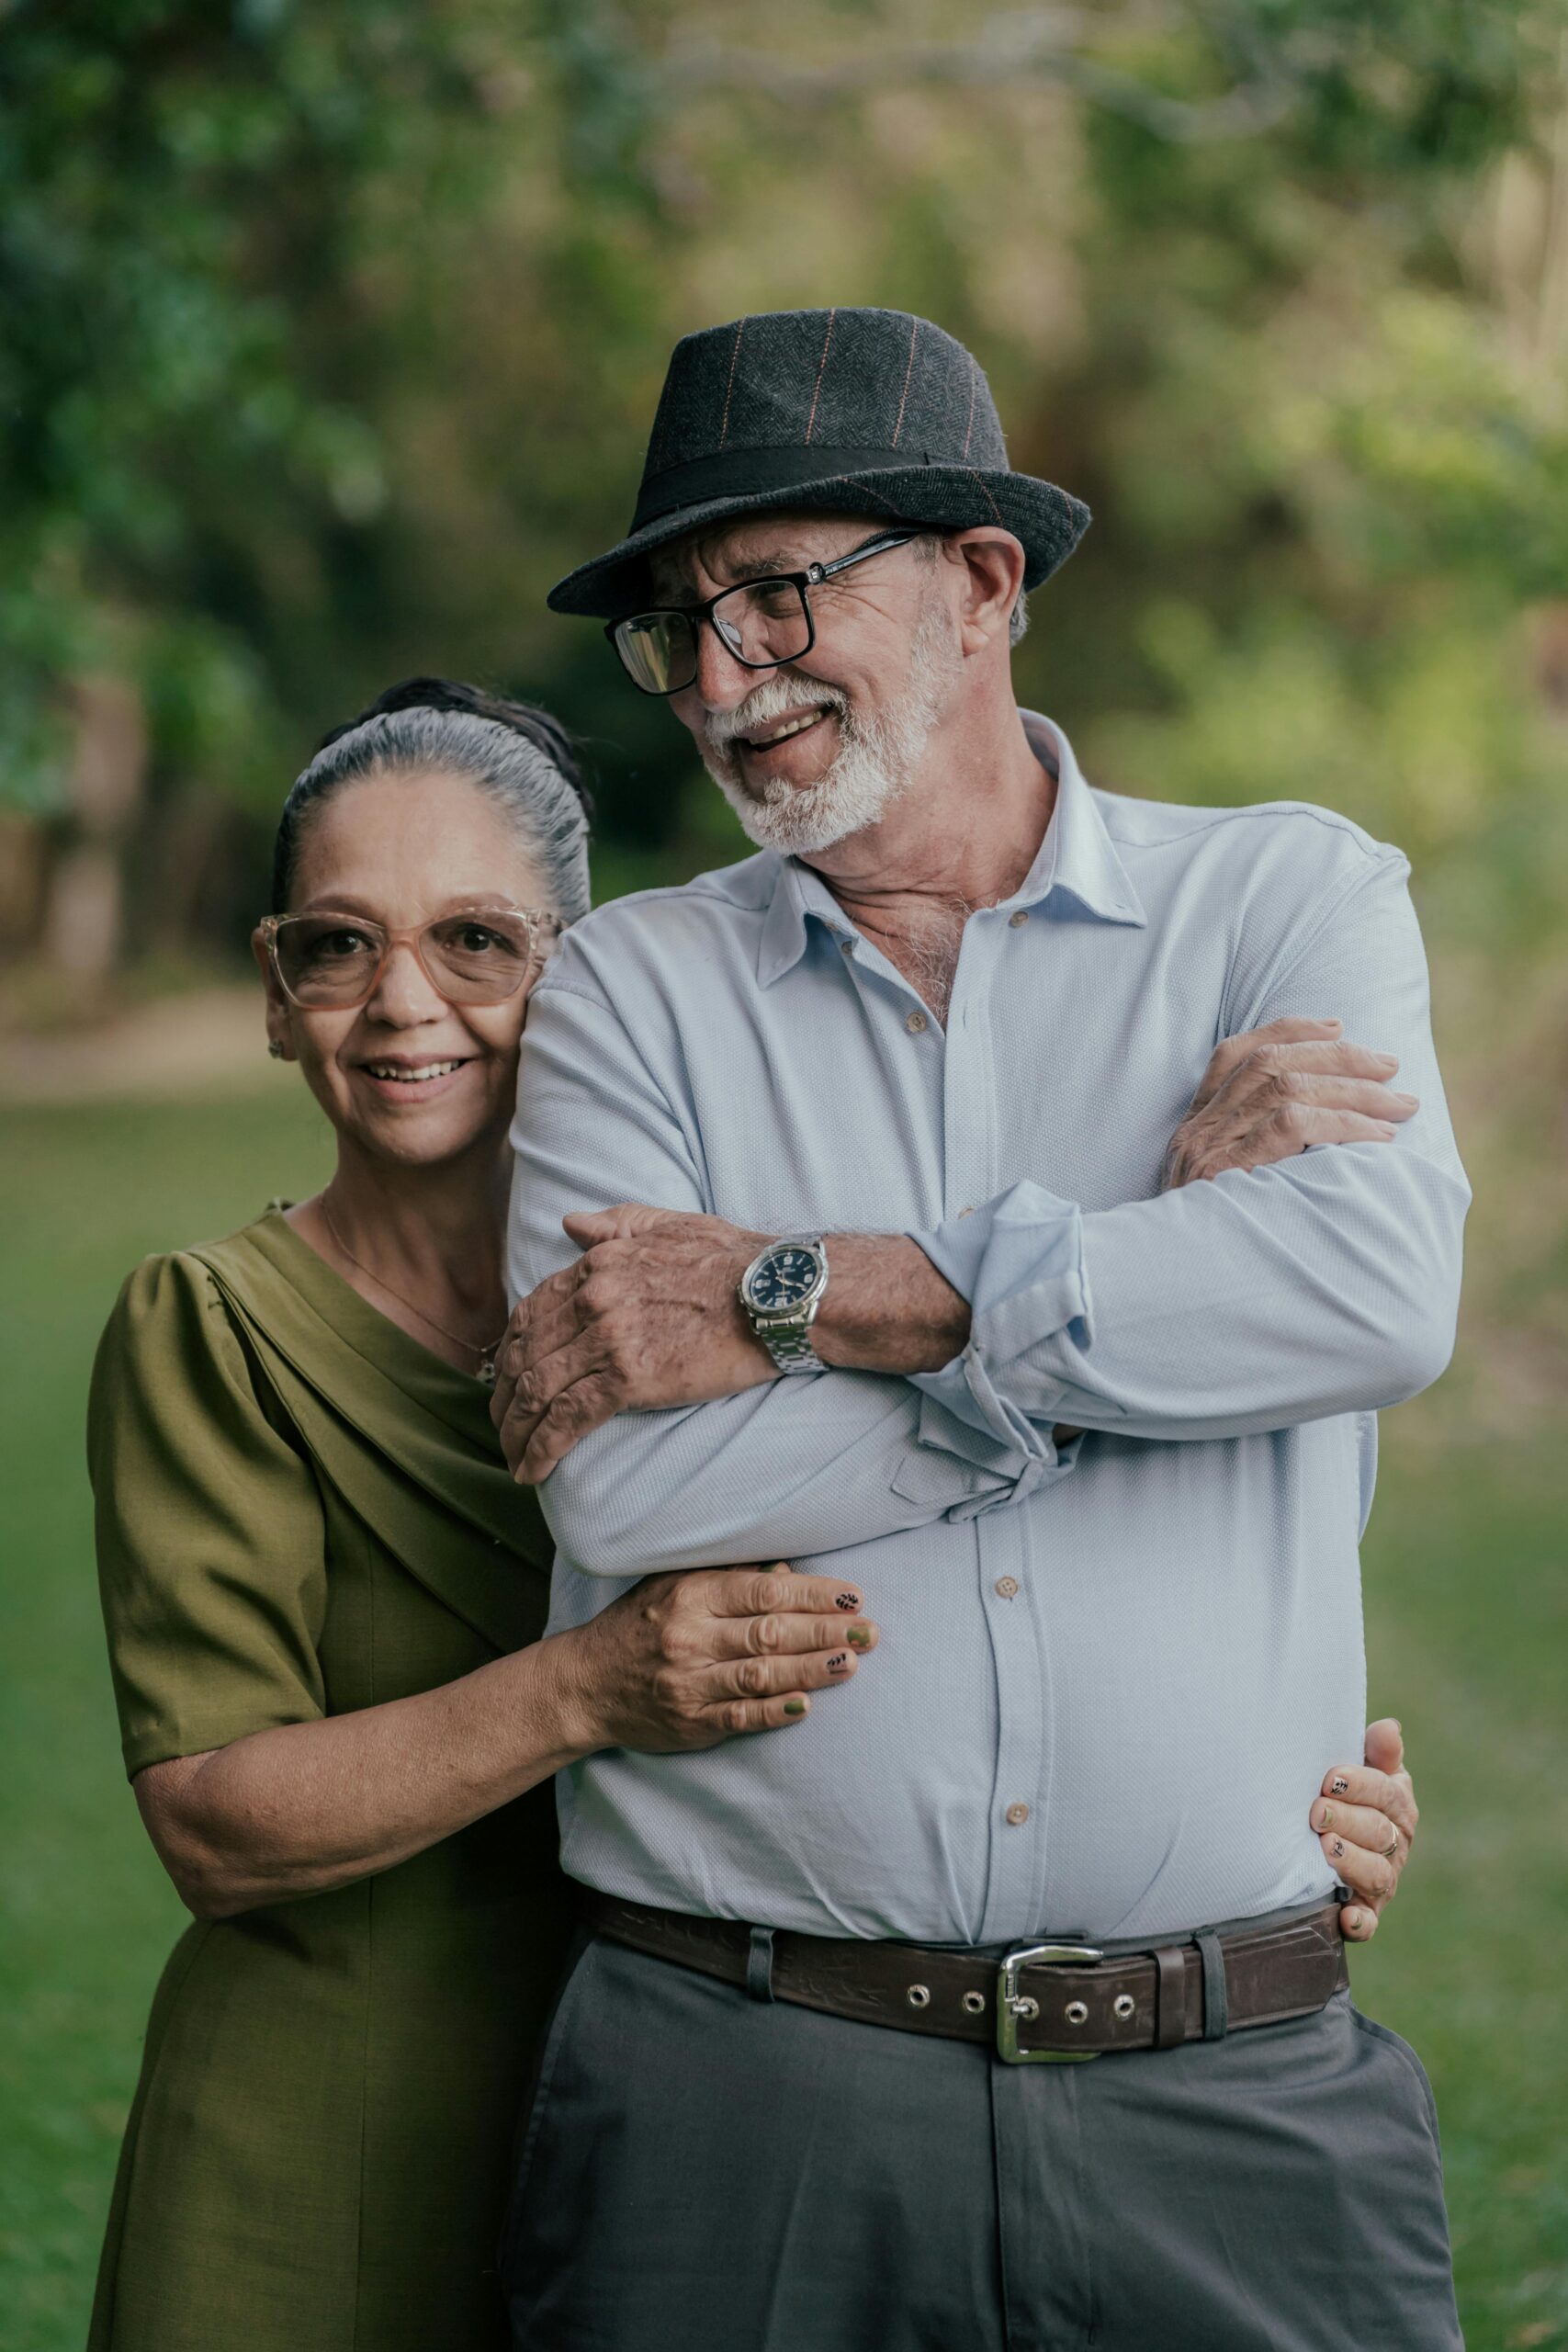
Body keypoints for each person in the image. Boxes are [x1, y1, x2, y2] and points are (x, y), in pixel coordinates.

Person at [491, 309, 1468, 2349]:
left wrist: (815, 1296)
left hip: (1233, 2083)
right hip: (738, 2087)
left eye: (779, 588)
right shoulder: (625, 993)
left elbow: (1369, 1297)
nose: (724, 668)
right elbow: (629, 1479)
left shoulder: (1285, 904)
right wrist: (1142, 1275)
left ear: (983, 580)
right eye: (681, 623)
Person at [85, 678, 891, 2352]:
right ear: (271, 987)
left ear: (576, 973)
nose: (401, 1006)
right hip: (327, 2147)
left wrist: (1276, 1811)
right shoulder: (212, 1330)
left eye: (475, 940)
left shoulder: (723, 1289)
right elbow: (214, 1824)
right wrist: (593, 1685)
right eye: (336, 944)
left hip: (692, 2125)